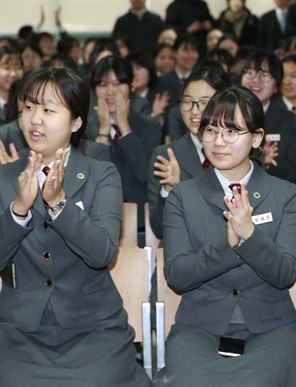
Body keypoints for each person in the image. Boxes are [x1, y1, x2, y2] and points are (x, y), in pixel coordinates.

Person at [0, 67, 151, 387]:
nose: (34, 119)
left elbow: (103, 252)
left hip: (93, 329)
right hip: (21, 334)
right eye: (27, 108)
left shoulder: (101, 174)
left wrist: (59, 205)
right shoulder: (4, 178)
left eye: (47, 110)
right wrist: (18, 210)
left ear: (76, 122)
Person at [155, 85, 296, 387]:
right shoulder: (183, 197)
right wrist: (228, 245)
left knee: (259, 380)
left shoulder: (285, 194)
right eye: (210, 131)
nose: (218, 142)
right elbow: (177, 275)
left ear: (257, 138)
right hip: (199, 327)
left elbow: (285, 273)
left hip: (271, 326)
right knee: (192, 379)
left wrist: (250, 235)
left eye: (231, 132)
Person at [147, 65, 231, 239]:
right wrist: (169, 190)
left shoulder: (238, 150)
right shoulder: (166, 156)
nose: (194, 111)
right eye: (187, 102)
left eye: (204, 103)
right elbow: (159, 229)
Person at [86, 55, 162, 227]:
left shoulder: (150, 126)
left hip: (142, 224)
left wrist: (124, 127)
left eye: (117, 83)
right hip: (96, 222)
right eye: (103, 85)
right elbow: (91, 179)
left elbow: (145, 173)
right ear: (94, 90)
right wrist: (103, 132)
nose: (110, 91)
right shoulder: (83, 129)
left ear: (131, 86)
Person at [240, 50, 296, 184]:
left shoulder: (288, 120)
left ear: (276, 86)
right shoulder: (226, 113)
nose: (255, 80)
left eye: (264, 75)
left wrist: (268, 162)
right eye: (250, 72)